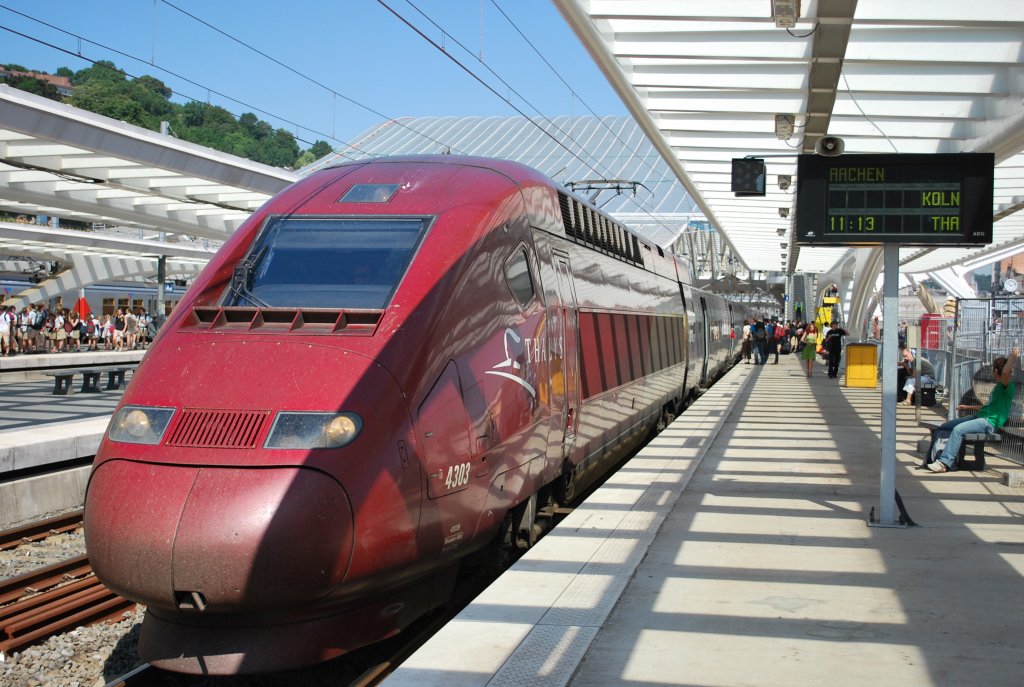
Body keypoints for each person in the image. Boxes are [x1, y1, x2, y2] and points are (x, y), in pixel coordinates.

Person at [929, 347, 1019, 473]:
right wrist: (967, 407)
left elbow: (1004, 373)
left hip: (988, 423)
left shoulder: (1007, 387)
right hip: (979, 418)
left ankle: (944, 462)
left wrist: (1013, 355)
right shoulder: (998, 387)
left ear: (994, 371)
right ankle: (934, 455)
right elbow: (988, 406)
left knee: (958, 430)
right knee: (945, 426)